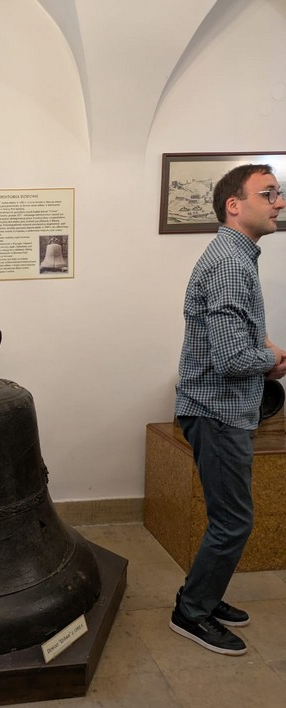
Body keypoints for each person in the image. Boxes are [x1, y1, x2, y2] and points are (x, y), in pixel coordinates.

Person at [171, 163, 286, 655]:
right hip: (217, 413)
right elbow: (233, 359)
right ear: (234, 206)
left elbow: (238, 335)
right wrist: (273, 361)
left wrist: (264, 349)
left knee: (228, 518)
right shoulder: (230, 265)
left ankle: (203, 595)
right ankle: (191, 612)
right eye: (268, 193)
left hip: (221, 410)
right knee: (233, 522)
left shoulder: (236, 256)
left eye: (278, 193)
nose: (279, 202)